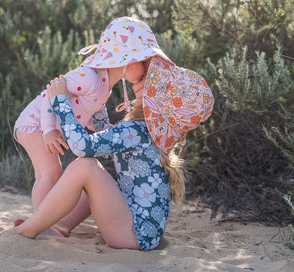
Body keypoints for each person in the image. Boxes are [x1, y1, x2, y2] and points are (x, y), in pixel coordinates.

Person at [14, 52, 214, 250]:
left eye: (149, 78)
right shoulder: (148, 133)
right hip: (142, 232)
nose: (144, 74)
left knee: (85, 166)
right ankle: (61, 224)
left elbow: (82, 146)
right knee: (96, 172)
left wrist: (60, 101)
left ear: (158, 97)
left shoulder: (135, 130)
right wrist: (97, 104)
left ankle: (30, 228)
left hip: (132, 235)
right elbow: (107, 149)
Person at [13, 17, 168, 236]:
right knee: (50, 172)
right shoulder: (89, 77)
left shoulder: (104, 86)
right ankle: (42, 224)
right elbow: (52, 92)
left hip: (43, 125)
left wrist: (106, 132)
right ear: (126, 61)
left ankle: (47, 222)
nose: (146, 67)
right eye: (143, 61)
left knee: (52, 173)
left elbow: (90, 112)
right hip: (34, 125)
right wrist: (49, 129)